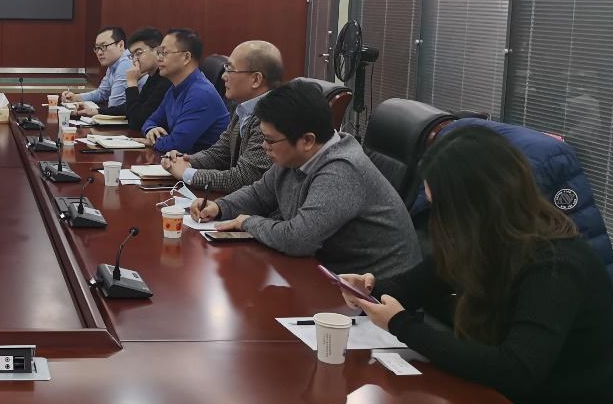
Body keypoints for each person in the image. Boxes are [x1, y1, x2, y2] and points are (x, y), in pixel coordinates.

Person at [339, 126, 613, 404]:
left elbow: (516, 369)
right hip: (495, 401)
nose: (439, 222)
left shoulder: (555, 265)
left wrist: (402, 325)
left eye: (444, 209)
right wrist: (371, 287)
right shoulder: (486, 239)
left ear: (476, 205)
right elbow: (417, 285)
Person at [192, 81, 420, 276]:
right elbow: (259, 194)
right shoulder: (295, 156)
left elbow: (298, 239)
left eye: (270, 140)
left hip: (378, 290)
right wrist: (220, 207)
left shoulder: (341, 169)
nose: (264, 146)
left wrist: (247, 222)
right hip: (328, 270)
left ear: (307, 140)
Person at [161, 40, 282, 191]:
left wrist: (187, 173)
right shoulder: (244, 108)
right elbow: (219, 153)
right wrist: (184, 160)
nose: (224, 76)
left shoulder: (272, 117)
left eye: (230, 69)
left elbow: (244, 178)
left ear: (256, 79)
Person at [141, 29, 229, 153]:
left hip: (201, 163)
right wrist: (150, 130)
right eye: (159, 52)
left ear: (186, 57)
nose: (159, 58)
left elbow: (176, 144)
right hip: (179, 160)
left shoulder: (201, 94)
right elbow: (151, 121)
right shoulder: (175, 88)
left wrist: (153, 141)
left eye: (164, 53)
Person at [75, 27, 169, 131]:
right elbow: (129, 107)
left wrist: (132, 82)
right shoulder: (153, 77)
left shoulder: (165, 79)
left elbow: (136, 121)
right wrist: (97, 111)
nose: (134, 60)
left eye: (138, 53)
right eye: (132, 55)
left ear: (157, 51)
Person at [62, 26, 129, 111]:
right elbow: (102, 93)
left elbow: (114, 106)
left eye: (104, 46)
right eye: (97, 48)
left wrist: (94, 111)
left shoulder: (126, 63)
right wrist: (75, 97)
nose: (99, 52)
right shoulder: (114, 64)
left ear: (120, 45)